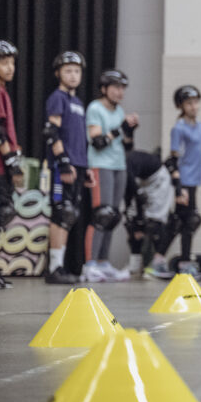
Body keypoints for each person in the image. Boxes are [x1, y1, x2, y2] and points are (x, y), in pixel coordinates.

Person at [149, 85, 201, 279]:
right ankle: (184, 263)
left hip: (194, 181)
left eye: (196, 102)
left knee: (179, 223)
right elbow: (173, 160)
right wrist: (178, 188)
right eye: (189, 103)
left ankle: (159, 260)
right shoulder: (179, 129)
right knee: (189, 221)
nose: (194, 106)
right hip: (183, 181)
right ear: (181, 106)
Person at [82, 69, 139, 282]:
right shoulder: (95, 108)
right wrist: (120, 128)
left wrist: (130, 131)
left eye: (123, 88)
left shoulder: (119, 111)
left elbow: (127, 147)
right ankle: (89, 265)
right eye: (116, 87)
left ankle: (103, 262)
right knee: (101, 215)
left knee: (113, 216)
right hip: (100, 165)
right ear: (104, 89)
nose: (120, 92)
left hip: (119, 165)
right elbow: (98, 142)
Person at [43, 51, 92, 284]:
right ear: (58, 73)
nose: (73, 75)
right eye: (68, 71)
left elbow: (80, 138)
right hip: (63, 165)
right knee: (61, 213)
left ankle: (60, 266)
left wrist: (86, 166)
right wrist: (63, 162)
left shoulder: (78, 103)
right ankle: (54, 268)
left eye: (77, 71)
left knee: (70, 216)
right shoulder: (58, 98)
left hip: (79, 164)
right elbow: (51, 132)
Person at [124, 149, 174, 278]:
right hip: (143, 180)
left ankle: (154, 265)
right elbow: (130, 200)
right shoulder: (124, 173)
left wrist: (139, 222)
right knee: (132, 222)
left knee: (154, 223)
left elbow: (136, 195)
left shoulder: (125, 167)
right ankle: (134, 266)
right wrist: (136, 223)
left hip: (158, 179)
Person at [0, 40, 23, 289]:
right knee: (1, 213)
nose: (10, 67)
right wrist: (12, 163)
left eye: (12, 63)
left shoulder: (2, 92)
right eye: (4, 62)